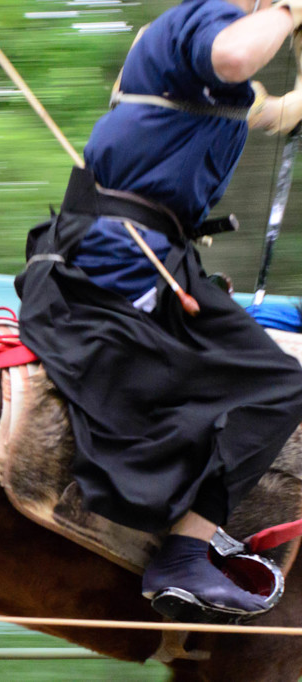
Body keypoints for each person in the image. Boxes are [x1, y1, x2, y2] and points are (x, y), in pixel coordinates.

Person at [15, 0, 302, 619]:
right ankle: (184, 552)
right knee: (277, 387)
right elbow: (233, 54)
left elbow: (274, 112)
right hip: (118, 258)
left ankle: (190, 533)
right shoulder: (194, 24)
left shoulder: (197, 62)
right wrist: (286, 9)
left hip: (154, 257)